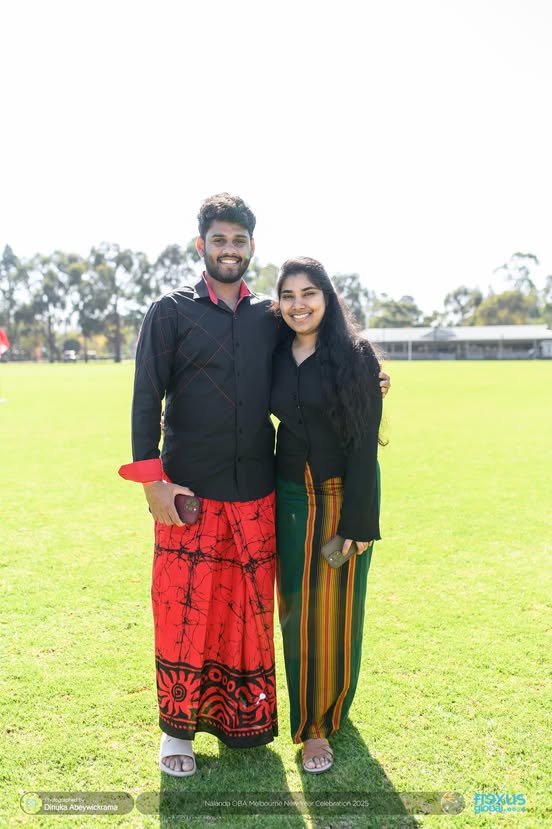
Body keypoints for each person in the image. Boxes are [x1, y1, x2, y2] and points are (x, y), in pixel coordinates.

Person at [119, 193, 390, 777]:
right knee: (184, 615)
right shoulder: (169, 311)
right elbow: (145, 399)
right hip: (188, 494)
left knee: (246, 616)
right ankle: (176, 733)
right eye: (219, 240)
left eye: (238, 241)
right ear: (202, 245)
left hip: (260, 496)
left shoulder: (268, 315)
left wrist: (368, 376)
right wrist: (152, 482)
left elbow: (317, 356)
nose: (229, 249)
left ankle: (242, 722)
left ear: (250, 247)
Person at [270, 256, 383, 774]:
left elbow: (364, 445)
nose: (299, 305)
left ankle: (319, 726)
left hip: (340, 497)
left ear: (328, 298)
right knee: (295, 611)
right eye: (288, 295)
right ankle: (313, 709)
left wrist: (359, 523)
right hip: (288, 497)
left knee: (335, 614)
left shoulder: (355, 355)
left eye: (309, 293)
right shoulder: (274, 351)